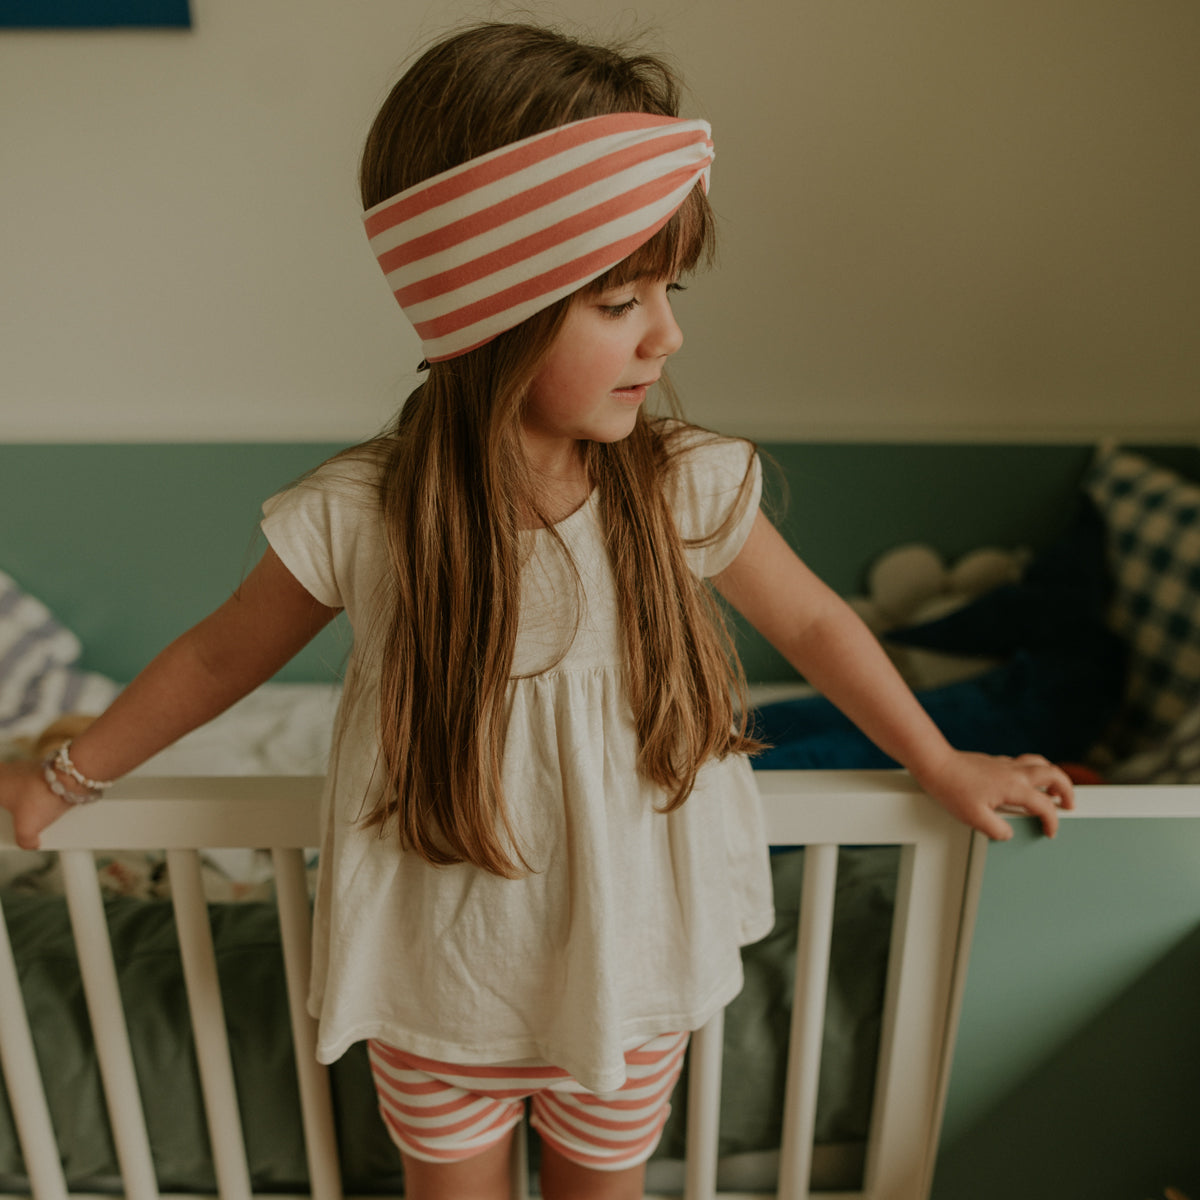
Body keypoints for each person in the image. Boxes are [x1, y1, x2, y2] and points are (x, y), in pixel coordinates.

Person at [0, 22, 1073, 1200]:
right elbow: (216, 660)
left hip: (631, 968)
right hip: (437, 980)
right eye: (621, 300)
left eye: (668, 290)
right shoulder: (364, 513)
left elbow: (817, 624)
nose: (668, 335)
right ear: (485, 311)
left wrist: (938, 759)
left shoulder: (682, 485)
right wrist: (63, 779)